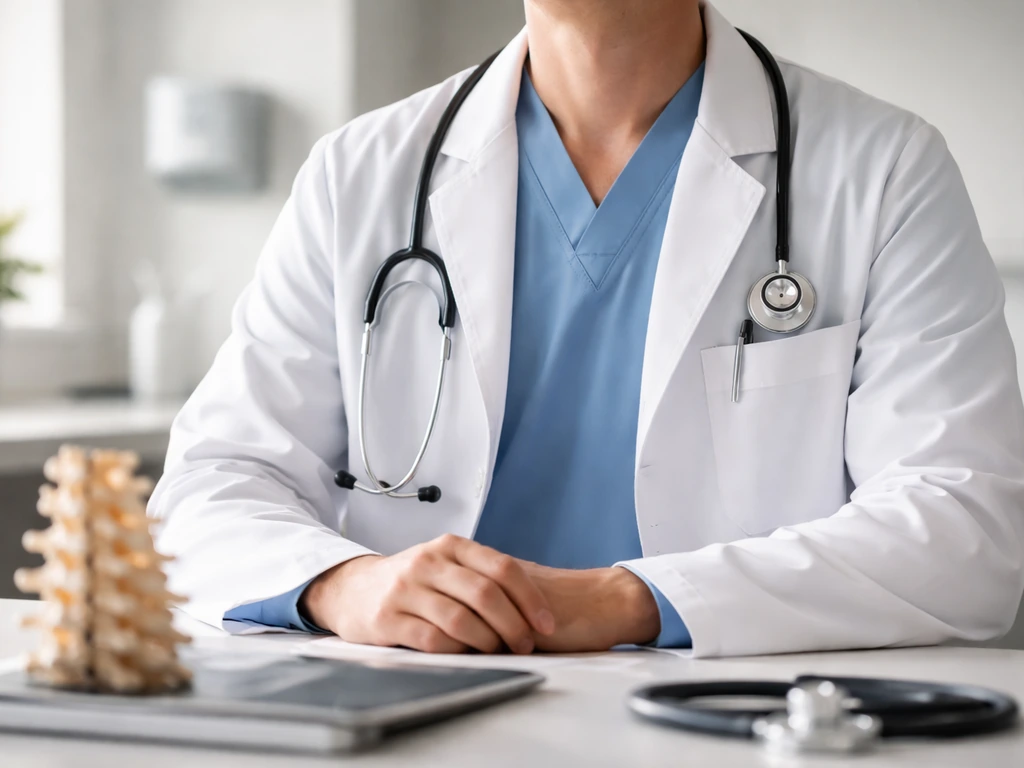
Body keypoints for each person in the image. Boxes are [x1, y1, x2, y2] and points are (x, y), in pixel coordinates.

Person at [149, 0, 1024, 658]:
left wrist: (627, 598)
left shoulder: (882, 168)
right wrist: (347, 584)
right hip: (413, 706)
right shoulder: (361, 173)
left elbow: (964, 526)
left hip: (734, 719)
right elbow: (211, 487)